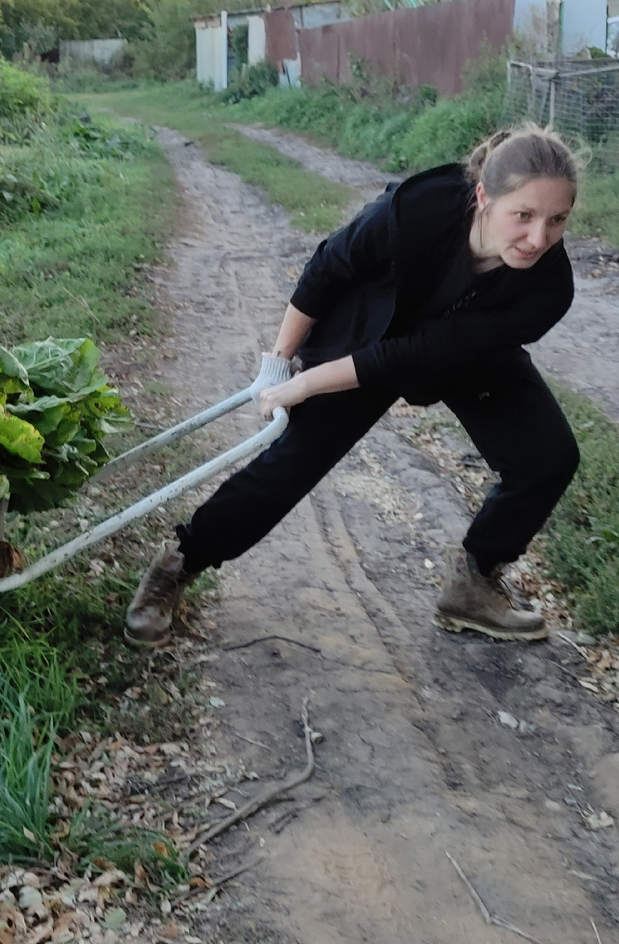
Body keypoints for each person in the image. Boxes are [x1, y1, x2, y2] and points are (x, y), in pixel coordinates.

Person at [125, 124, 581, 650]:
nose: (539, 239)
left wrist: (309, 383)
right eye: (523, 215)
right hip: (372, 327)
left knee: (547, 457)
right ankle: (180, 562)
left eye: (557, 220)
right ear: (483, 197)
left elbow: (423, 353)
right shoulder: (418, 210)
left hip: (461, 351)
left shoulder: (549, 287)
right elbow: (328, 268)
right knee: (293, 459)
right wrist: (279, 363)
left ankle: (474, 583)